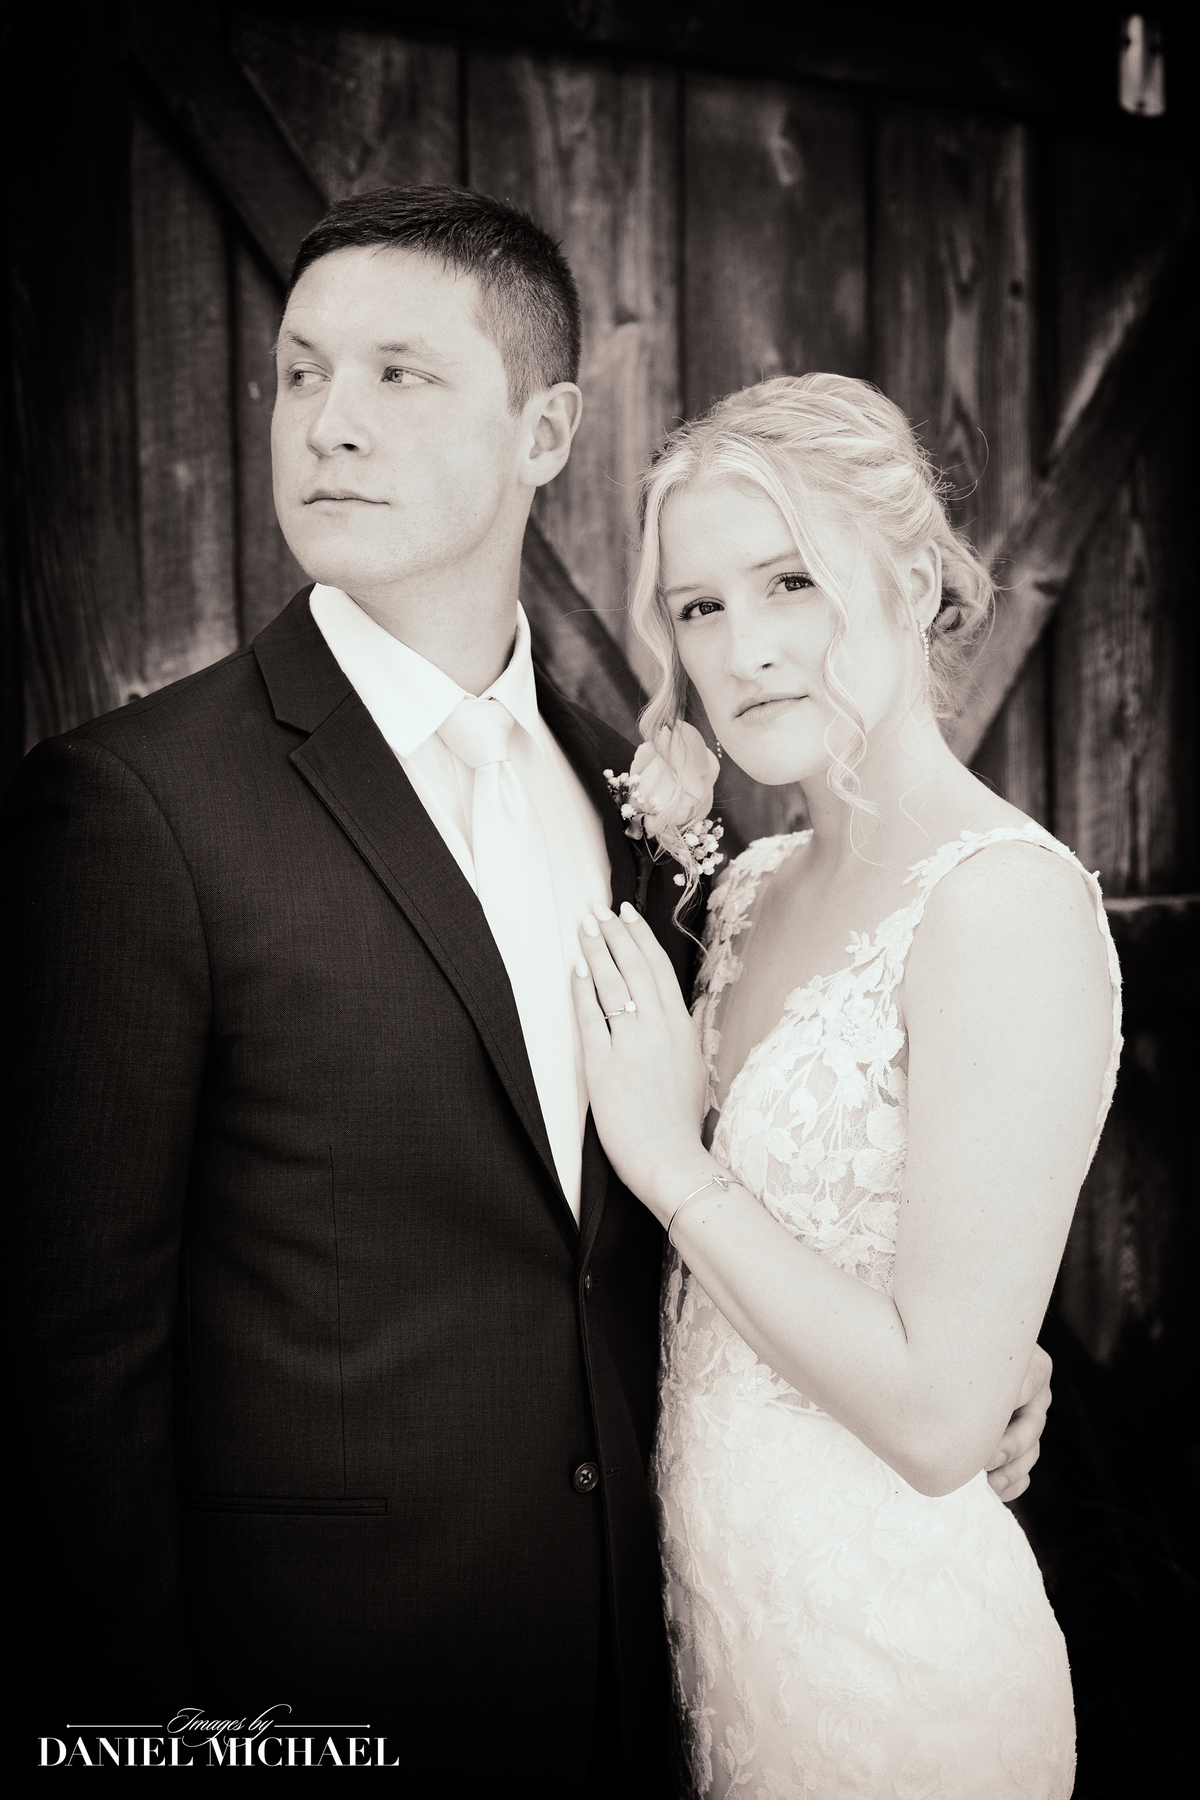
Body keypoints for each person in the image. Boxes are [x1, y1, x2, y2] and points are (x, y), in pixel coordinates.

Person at [5, 190, 1050, 1796]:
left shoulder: (639, 810)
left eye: (401, 376)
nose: (328, 424)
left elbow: (658, 1221)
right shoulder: (138, 813)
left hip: (660, 1686)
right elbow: (68, 1385)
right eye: (300, 374)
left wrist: (966, 1363)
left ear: (546, 427)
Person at [571, 374, 1121, 1798]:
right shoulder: (747, 891)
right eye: (698, 608)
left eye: (790, 582)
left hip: (892, 1682)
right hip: (716, 1645)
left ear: (920, 582)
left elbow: (941, 1421)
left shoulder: (1006, 907)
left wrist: (670, 1163)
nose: (743, 649)